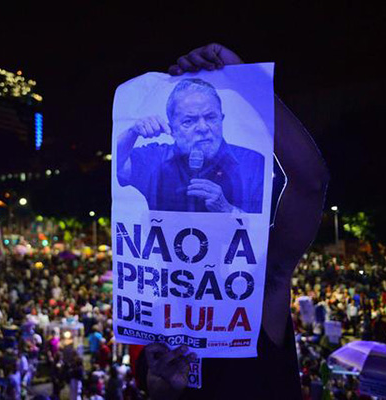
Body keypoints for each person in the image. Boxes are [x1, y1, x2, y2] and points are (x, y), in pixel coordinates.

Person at [136, 43, 329, 399]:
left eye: (210, 118)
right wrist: (162, 390)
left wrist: (245, 80)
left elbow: (310, 183)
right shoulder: (153, 328)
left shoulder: (256, 284)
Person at [116, 76, 264, 213]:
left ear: (221, 118)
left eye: (211, 117)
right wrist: (132, 132)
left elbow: (265, 228)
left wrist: (229, 211)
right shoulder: (155, 159)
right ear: (172, 129)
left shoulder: (253, 164)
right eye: (189, 121)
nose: (203, 128)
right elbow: (118, 165)